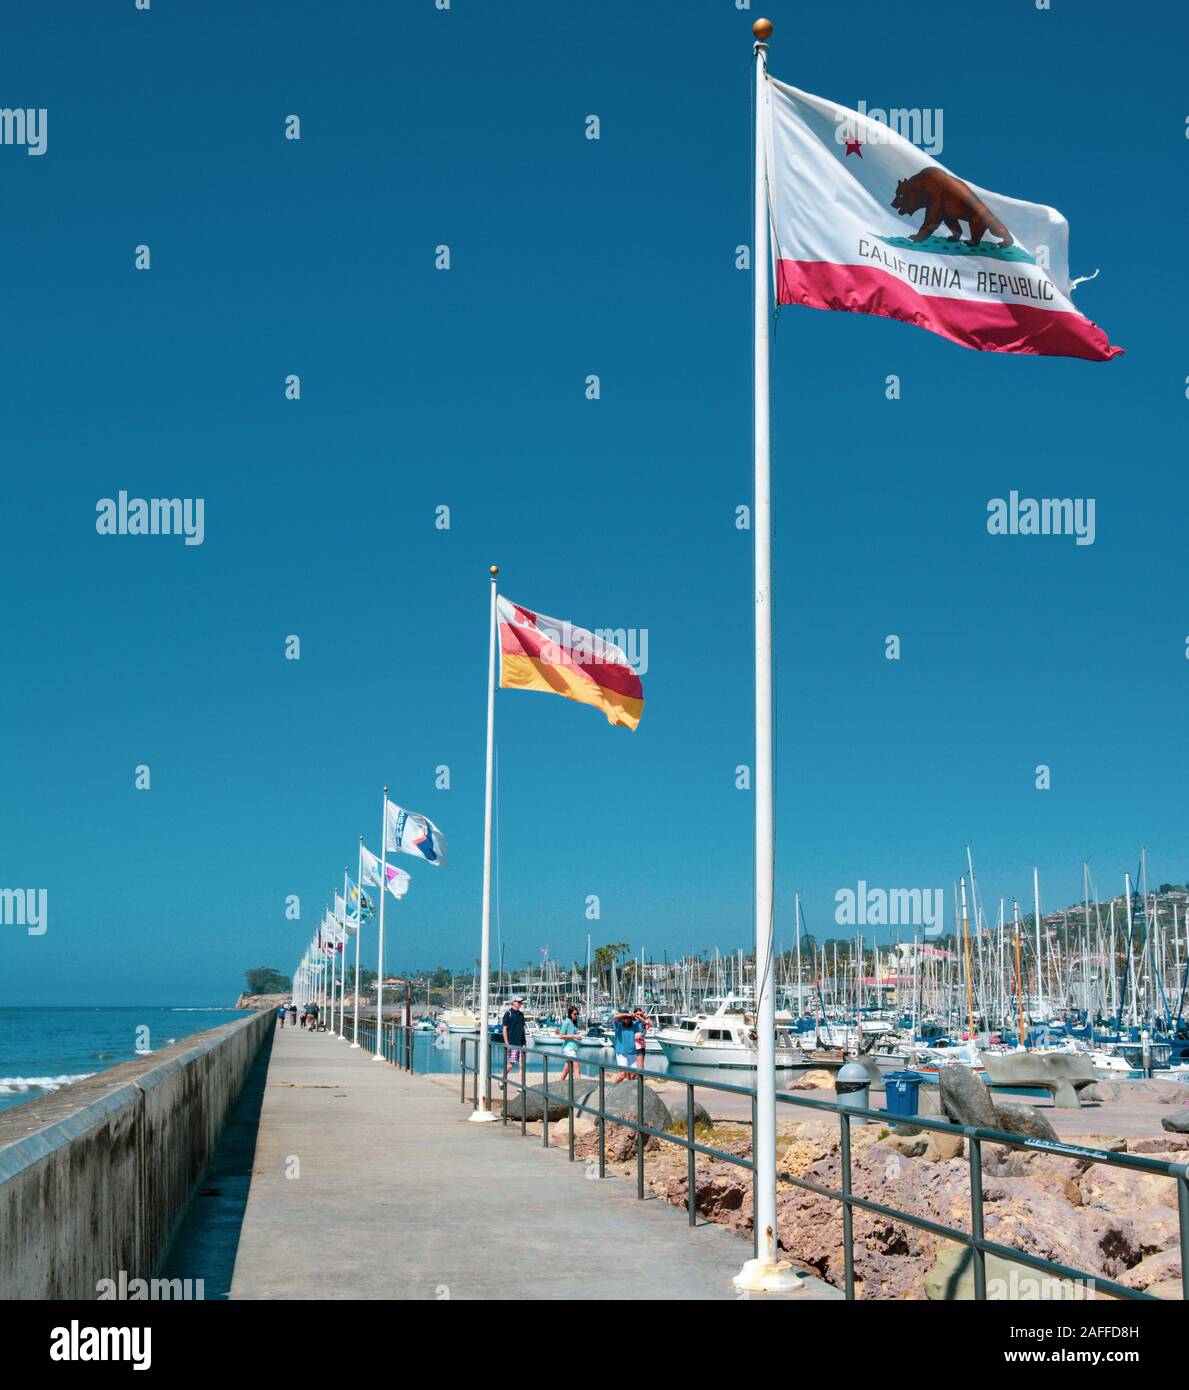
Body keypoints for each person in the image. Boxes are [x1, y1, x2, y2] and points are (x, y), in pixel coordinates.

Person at [611, 1007, 644, 1083]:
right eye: (624, 1018)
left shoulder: (635, 1024)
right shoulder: (618, 1025)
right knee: (622, 1074)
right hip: (622, 1053)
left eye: (628, 1018)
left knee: (633, 1075)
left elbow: (643, 1022)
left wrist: (635, 1015)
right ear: (621, 1019)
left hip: (633, 1053)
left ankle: (628, 1090)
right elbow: (615, 1017)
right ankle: (610, 1086)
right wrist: (627, 1014)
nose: (627, 1019)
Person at [557, 1005, 582, 1084]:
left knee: (566, 1069)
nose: (576, 1015)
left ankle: (559, 1084)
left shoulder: (572, 1022)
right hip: (568, 1049)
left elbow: (572, 1035)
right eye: (574, 1014)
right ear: (570, 1014)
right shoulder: (567, 1022)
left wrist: (577, 1037)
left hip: (572, 1048)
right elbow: (561, 1036)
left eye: (577, 1014)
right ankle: (580, 1086)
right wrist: (574, 1036)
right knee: (576, 1068)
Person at [502, 997, 527, 1075]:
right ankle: (502, 1079)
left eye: (521, 1002)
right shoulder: (508, 1014)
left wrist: (524, 1042)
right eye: (519, 1002)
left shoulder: (521, 1014)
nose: (520, 1004)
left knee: (522, 1065)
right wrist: (507, 1043)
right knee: (511, 1064)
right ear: (514, 1002)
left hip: (522, 1043)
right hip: (512, 1043)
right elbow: (504, 1029)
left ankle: (521, 1086)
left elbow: (522, 1028)